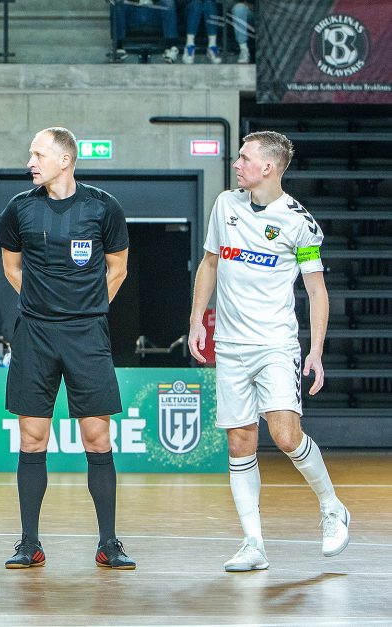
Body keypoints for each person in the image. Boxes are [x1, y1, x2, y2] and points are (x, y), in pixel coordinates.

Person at [188, 131, 351, 572]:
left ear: (269, 168)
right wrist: (195, 321)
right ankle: (253, 543)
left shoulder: (300, 222)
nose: (236, 164)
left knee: (284, 435)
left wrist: (315, 351)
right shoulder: (225, 205)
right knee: (240, 442)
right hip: (231, 345)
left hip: (276, 344)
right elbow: (209, 264)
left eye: (244, 159)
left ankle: (332, 506)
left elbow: (317, 291)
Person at [0, 127, 134, 570]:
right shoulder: (18, 209)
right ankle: (29, 543)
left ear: (65, 160)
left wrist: (87, 309)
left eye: (38, 154)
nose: (30, 161)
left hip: (87, 335)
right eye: (30, 153)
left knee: (97, 435)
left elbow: (118, 269)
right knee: (32, 437)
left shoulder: (103, 207)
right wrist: (43, 304)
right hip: (34, 333)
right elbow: (11, 265)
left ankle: (109, 542)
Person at [111, 0, 180, 63]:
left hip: (155, 11)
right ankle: (118, 47)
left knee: (168, 2)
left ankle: (171, 47)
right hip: (133, 12)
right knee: (117, 3)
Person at [182, 0, 223, 64]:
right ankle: (189, 45)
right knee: (196, 4)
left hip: (209, 5)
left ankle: (212, 46)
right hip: (190, 7)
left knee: (210, 5)